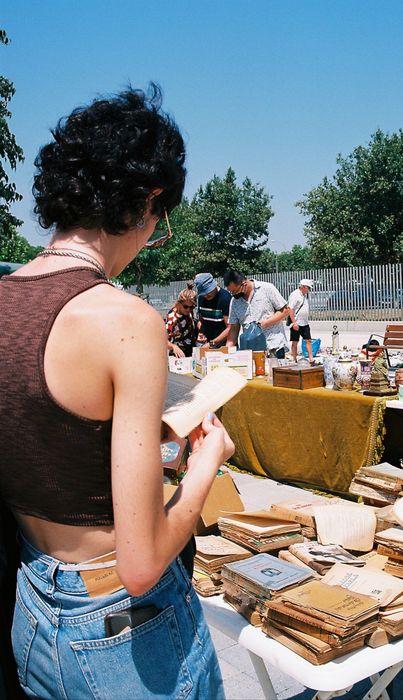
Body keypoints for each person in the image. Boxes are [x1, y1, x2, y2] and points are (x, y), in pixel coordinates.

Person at [0, 84, 234, 699]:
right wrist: (205, 465)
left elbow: (44, 436)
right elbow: (141, 562)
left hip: (30, 609)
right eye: (157, 222)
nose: (150, 237)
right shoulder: (125, 320)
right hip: (122, 632)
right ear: (144, 201)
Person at [223, 269, 288, 358]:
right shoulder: (234, 302)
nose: (233, 294)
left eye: (235, 291)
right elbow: (234, 328)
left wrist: (266, 323)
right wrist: (227, 350)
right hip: (251, 351)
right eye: (231, 292)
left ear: (244, 283)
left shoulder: (266, 289)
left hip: (273, 347)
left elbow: (285, 311)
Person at [194, 272, 231, 348]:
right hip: (208, 343)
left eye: (208, 291)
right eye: (204, 293)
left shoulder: (225, 299)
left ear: (215, 286)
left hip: (224, 345)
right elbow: (201, 320)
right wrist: (201, 332)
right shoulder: (201, 298)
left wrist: (213, 343)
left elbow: (230, 328)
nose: (206, 295)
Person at [287, 279, 316, 365]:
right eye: (308, 288)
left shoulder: (303, 296)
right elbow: (290, 308)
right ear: (303, 287)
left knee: (308, 340)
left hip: (305, 322)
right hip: (297, 322)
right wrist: (294, 322)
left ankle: (311, 359)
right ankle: (294, 359)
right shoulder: (295, 295)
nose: (309, 290)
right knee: (295, 341)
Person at [166, 283, 198, 357]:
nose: (188, 309)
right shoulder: (172, 317)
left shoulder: (188, 312)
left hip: (190, 349)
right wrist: (174, 347)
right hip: (177, 353)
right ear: (178, 303)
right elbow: (164, 340)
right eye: (185, 307)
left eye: (192, 307)